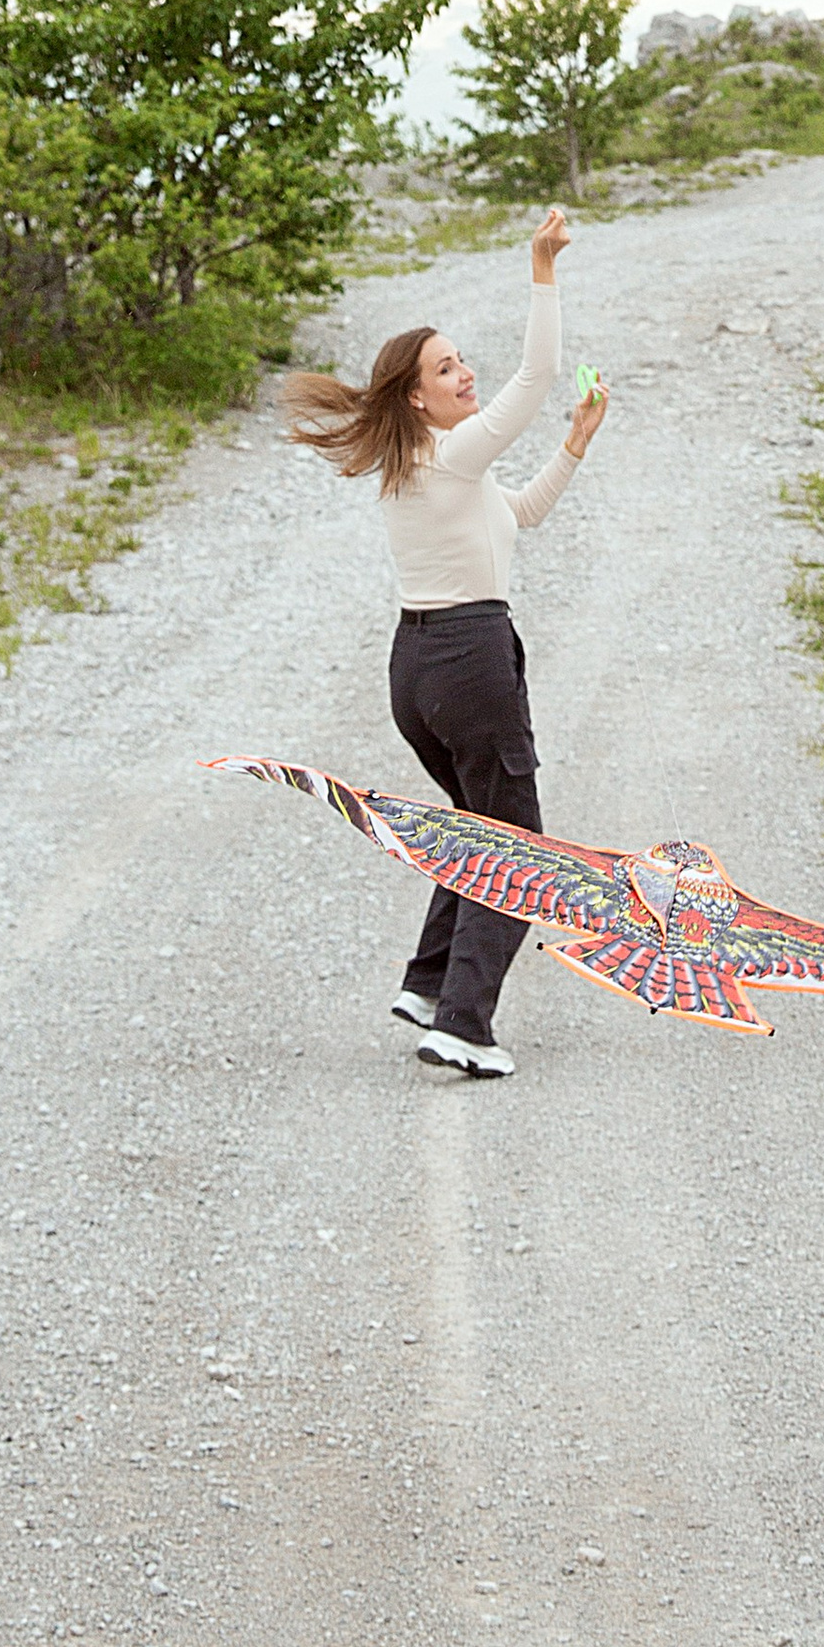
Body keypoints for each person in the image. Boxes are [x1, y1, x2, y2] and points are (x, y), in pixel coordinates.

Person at [287, 208, 608, 1079]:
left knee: (477, 826)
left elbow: (519, 514)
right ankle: (464, 1023)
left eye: (462, 360)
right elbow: (538, 372)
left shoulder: (426, 465)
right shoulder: (451, 454)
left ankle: (430, 985)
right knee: (519, 846)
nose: (466, 373)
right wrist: (542, 265)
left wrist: (573, 446)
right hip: (470, 658)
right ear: (416, 397)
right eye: (446, 367)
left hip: (418, 667)